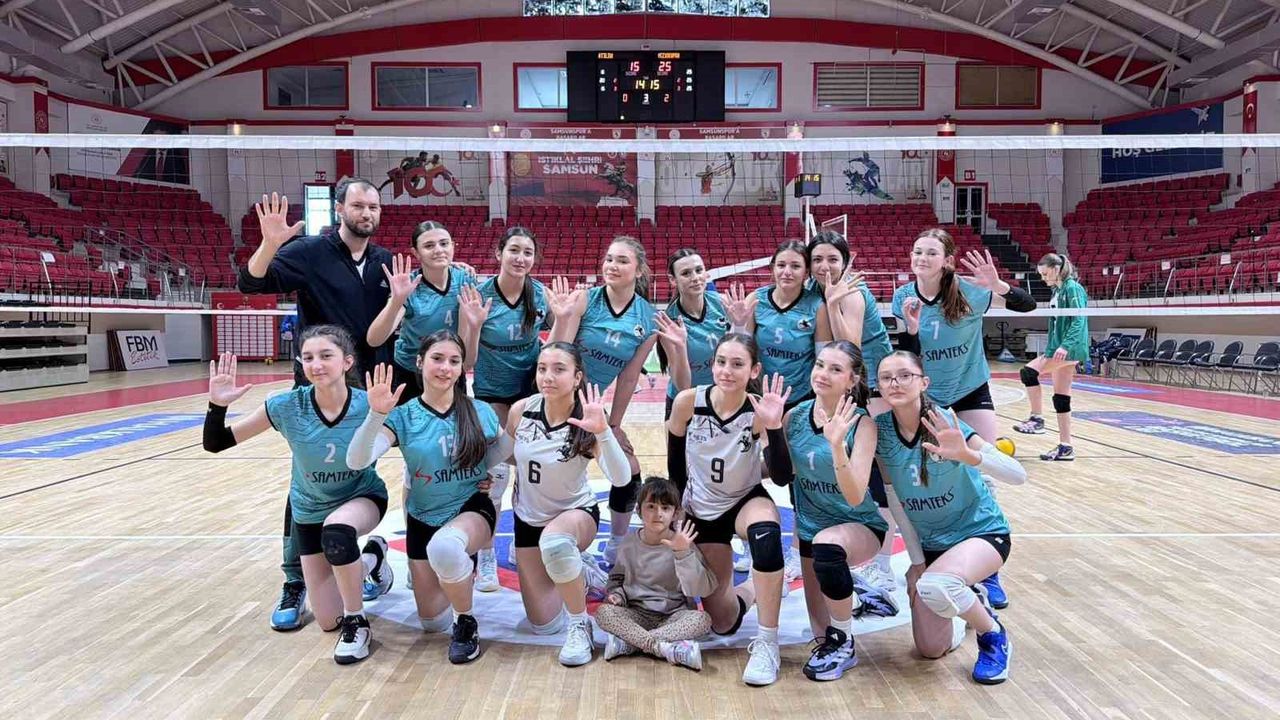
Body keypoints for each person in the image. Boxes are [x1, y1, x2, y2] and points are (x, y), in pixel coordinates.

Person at [236, 179, 394, 631]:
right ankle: (294, 581)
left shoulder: (384, 261)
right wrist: (269, 244)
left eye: (374, 206)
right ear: (339, 208)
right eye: (358, 205)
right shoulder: (309, 252)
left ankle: (364, 557)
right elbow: (251, 282)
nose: (367, 213)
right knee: (307, 485)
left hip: (367, 391)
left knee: (357, 476)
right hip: (317, 386)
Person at [201, 326, 391, 664]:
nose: (316, 364)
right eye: (308, 357)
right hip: (310, 509)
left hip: (361, 499)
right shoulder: (286, 406)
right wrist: (217, 405)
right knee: (327, 620)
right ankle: (373, 558)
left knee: (338, 531)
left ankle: (357, 621)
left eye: (326, 355)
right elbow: (216, 443)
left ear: (347, 362)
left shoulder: (370, 403)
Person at [891, 228, 1035, 608]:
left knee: (986, 472)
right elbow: (910, 356)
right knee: (934, 474)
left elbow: (1028, 305)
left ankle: (989, 570)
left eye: (930, 253)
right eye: (917, 251)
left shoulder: (971, 291)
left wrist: (999, 286)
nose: (922, 258)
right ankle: (940, 552)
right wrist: (911, 330)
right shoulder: (903, 297)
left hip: (970, 387)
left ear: (946, 260)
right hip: (931, 395)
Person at [345, 331, 507, 665]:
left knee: (446, 549)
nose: (445, 368)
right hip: (423, 516)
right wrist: (375, 415)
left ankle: (466, 621)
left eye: (454, 361)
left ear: (462, 369)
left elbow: (506, 452)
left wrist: (490, 473)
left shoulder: (479, 411)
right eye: (437, 358)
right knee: (432, 622)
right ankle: (379, 558)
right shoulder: (403, 416)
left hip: (471, 507)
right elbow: (357, 461)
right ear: (420, 362)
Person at [873, 350, 1026, 685]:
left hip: (980, 533)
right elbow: (896, 502)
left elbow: (1018, 475)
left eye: (905, 375)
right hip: (933, 546)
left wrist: (968, 455)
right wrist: (917, 561)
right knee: (930, 649)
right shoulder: (880, 432)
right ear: (879, 387)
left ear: (923, 382)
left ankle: (992, 635)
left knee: (937, 584)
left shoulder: (945, 421)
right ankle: (969, 600)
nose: (895, 383)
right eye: (886, 378)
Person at [666, 333, 791, 687]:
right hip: (701, 508)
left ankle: (767, 643)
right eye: (721, 362)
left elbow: (782, 477)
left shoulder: (759, 410)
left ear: (754, 370)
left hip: (744, 500)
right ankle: (754, 587)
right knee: (722, 622)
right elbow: (675, 463)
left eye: (738, 364)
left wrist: (774, 427)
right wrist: (679, 510)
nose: (727, 370)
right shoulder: (688, 403)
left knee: (766, 537)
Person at [762, 342, 890, 681]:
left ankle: (846, 644)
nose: (823, 374)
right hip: (810, 528)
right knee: (821, 634)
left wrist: (836, 446)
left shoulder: (863, 425)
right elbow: (781, 475)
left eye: (835, 369)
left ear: (852, 380)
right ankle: (857, 597)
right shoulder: (795, 416)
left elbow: (854, 495)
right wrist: (769, 430)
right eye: (820, 365)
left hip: (858, 525)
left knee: (828, 551)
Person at [501, 342, 633, 667]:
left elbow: (621, 478)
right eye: (542, 368)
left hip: (575, 514)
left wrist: (604, 432)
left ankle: (580, 625)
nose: (548, 376)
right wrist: (476, 473)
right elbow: (502, 455)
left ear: (577, 377)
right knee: (543, 624)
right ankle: (581, 573)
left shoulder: (588, 416)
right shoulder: (522, 411)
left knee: (556, 543)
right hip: (528, 520)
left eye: (559, 369)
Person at [547, 236, 658, 566]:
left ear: (639, 270)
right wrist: (563, 318)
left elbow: (629, 376)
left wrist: (615, 425)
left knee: (628, 469)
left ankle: (617, 542)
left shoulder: (648, 318)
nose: (612, 265)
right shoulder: (585, 299)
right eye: (609, 259)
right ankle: (532, 535)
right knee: (549, 467)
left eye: (622, 260)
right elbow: (557, 356)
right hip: (556, 395)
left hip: (591, 405)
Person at [457, 226, 550, 590]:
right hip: (491, 393)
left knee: (530, 468)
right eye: (514, 250)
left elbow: (559, 341)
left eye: (528, 252)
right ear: (499, 253)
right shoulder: (479, 295)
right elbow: (468, 360)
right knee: (495, 474)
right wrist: (474, 325)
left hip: (529, 394)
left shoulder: (539, 295)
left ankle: (522, 541)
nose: (520, 258)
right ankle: (486, 554)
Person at [807, 230, 899, 593]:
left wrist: (833, 304)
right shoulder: (817, 293)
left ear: (845, 262)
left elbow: (852, 348)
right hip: (852, 389)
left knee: (885, 476)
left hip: (877, 390)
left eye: (832, 259)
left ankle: (884, 564)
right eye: (817, 259)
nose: (824, 266)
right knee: (854, 470)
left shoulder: (852, 293)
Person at [596, 476, 717, 671]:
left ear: (675, 514)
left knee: (702, 620)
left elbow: (701, 589)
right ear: (639, 510)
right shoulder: (628, 543)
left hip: (673, 615)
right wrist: (617, 595)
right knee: (604, 613)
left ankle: (632, 643)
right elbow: (616, 579)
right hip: (637, 614)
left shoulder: (683, 543)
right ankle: (664, 648)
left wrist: (682, 554)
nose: (658, 514)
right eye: (651, 506)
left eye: (665, 508)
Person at [366, 221, 477, 401]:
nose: (438, 250)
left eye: (444, 243)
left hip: (449, 369)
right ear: (416, 253)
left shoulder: (465, 279)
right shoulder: (409, 285)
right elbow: (374, 339)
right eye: (429, 246)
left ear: (453, 246)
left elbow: (465, 349)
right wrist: (396, 301)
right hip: (411, 372)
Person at [1013, 253, 1089, 461]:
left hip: (1069, 348)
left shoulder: (1072, 288)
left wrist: (1066, 345)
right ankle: (1066, 447)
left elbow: (1079, 319)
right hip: (1059, 348)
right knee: (1061, 397)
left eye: (1045, 274)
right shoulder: (1058, 290)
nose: (1043, 278)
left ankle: (1037, 419)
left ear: (1056, 269)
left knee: (1028, 372)